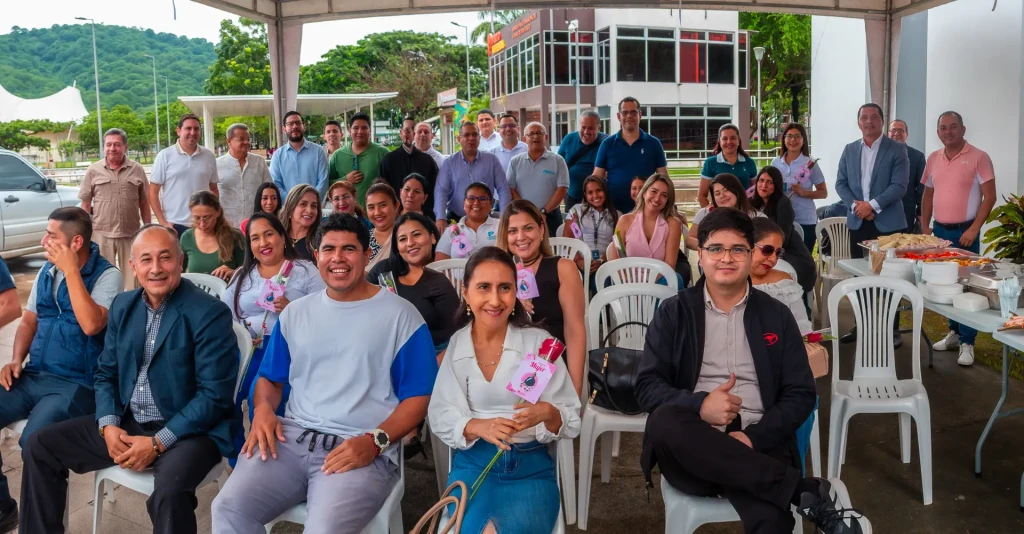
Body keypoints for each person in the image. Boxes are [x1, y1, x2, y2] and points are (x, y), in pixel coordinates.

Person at [635, 208, 869, 534]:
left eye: (738, 249)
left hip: (761, 442)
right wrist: (700, 405)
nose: (726, 258)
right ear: (701, 254)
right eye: (716, 248)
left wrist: (751, 437)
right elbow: (647, 386)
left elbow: (801, 393)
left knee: (771, 520)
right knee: (664, 420)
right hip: (693, 449)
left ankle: (787, 488)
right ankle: (800, 491)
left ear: (749, 255)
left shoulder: (776, 315)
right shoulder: (674, 313)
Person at [210, 213, 438, 533]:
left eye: (349, 249)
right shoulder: (296, 313)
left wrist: (376, 441)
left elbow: (419, 396)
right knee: (227, 509)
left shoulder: (401, 316)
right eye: (329, 249)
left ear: (366, 255)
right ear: (316, 256)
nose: (338, 258)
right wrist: (262, 411)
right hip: (289, 439)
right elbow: (270, 379)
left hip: (359, 445)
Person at [18, 224, 237, 534]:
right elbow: (106, 372)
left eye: (165, 257)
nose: (156, 268)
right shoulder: (124, 305)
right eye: (146, 259)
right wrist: (108, 425)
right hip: (130, 421)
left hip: (190, 431)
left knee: (169, 491)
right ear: (133, 267)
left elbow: (214, 396)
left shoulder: (210, 313)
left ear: (180, 262)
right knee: (40, 445)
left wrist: (158, 443)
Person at [427, 246, 581, 533]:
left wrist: (548, 413)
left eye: (505, 288)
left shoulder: (537, 344)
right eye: (483, 287)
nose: (495, 300)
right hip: (473, 466)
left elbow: (571, 419)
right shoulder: (458, 345)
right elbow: (439, 414)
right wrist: (476, 426)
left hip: (530, 469)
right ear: (466, 293)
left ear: (516, 293)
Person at [0, 208, 120, 530]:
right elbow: (29, 320)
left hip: (77, 384)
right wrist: (16, 360)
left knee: (35, 443)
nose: (44, 241)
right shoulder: (46, 271)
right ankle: (2, 508)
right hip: (35, 373)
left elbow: (92, 324)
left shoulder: (108, 275)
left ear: (76, 242)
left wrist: (71, 272)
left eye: (51, 235)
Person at [223, 212, 324, 445]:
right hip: (248, 349)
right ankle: (236, 456)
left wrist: (292, 309)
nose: (263, 243)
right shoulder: (243, 275)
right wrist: (241, 332)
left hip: (285, 350)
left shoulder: (305, 271)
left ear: (282, 236)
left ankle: (264, 453)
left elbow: (324, 314)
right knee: (225, 399)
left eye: (269, 234)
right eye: (255, 238)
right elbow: (224, 314)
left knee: (260, 402)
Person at [920, 111, 997, 367]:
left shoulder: (979, 157)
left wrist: (974, 228)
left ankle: (968, 341)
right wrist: (925, 226)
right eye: (943, 128)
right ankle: (953, 332)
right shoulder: (933, 158)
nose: (948, 132)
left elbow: (990, 197)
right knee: (945, 284)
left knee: (966, 285)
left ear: (963, 129)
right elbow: (928, 195)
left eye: (953, 127)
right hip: (940, 233)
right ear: (938, 132)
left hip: (965, 234)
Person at [835, 103, 909, 345]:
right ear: (858, 122)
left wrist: (872, 205)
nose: (869, 122)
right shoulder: (849, 149)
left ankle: (891, 330)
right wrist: (857, 207)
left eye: (874, 117)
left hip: (888, 224)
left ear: (882, 121)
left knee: (891, 279)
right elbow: (841, 183)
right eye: (864, 117)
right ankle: (862, 326)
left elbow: (899, 186)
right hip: (858, 222)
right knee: (860, 277)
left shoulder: (897, 149)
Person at [496, 200, 586, 394]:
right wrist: (510, 304)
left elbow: (575, 331)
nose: (521, 237)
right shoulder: (498, 275)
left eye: (528, 228)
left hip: (550, 363)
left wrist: (575, 390)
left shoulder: (563, 268)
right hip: (507, 367)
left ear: (541, 229)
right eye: (512, 231)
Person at [368, 212, 458, 354]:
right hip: (380, 349)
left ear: (432, 237)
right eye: (402, 239)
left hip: (428, 353)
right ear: (397, 246)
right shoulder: (383, 270)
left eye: (416, 235)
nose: (410, 243)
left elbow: (453, 338)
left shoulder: (440, 283)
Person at [79, 127, 151, 290]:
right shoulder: (93, 170)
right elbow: (86, 203)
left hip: (131, 234)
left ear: (125, 147)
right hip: (102, 234)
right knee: (103, 280)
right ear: (104, 147)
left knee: (134, 280)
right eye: (108, 144)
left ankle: (131, 305)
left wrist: (147, 228)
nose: (112, 148)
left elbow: (144, 202)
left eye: (117, 144)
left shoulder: (137, 169)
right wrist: (84, 232)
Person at [749, 167, 817, 298]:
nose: (764, 185)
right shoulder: (752, 203)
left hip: (790, 254)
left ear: (777, 185)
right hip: (765, 252)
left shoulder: (783, 203)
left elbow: (783, 239)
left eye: (770, 182)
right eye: (761, 180)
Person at [593, 97, 668, 214]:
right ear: (619, 116)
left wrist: (670, 207)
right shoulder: (607, 144)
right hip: (613, 211)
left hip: (646, 211)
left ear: (640, 115)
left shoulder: (654, 144)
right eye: (625, 112)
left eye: (633, 112)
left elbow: (664, 179)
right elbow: (597, 178)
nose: (629, 116)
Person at [149, 114, 219, 237]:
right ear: (178, 131)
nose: (193, 132)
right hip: (175, 225)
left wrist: (214, 216)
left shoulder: (209, 156)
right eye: (188, 128)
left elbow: (213, 189)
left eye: (196, 129)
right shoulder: (165, 156)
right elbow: (153, 192)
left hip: (203, 224)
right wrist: (163, 222)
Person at [433, 121, 511, 232]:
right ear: (459, 139)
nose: (471, 138)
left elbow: (503, 189)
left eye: (474, 135)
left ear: (479, 138)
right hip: (456, 220)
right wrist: (440, 217)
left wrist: (504, 216)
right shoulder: (449, 163)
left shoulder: (491, 160)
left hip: (486, 220)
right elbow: (441, 191)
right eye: (466, 135)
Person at [611, 174, 685, 276]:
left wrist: (650, 284)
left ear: (668, 201)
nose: (657, 198)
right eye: (654, 191)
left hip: (660, 279)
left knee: (677, 279)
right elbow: (616, 259)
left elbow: (670, 264)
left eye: (664, 195)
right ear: (644, 193)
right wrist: (628, 281)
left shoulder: (674, 224)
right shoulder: (624, 221)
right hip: (627, 280)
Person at [771, 123, 828, 252]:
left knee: (803, 258)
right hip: (781, 219)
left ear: (803, 140)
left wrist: (803, 192)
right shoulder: (776, 163)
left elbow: (823, 193)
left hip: (805, 219)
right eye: (789, 136)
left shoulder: (810, 163)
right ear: (783, 139)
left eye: (797, 136)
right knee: (782, 258)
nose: (793, 140)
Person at [750, 218, 813, 333]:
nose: (773, 259)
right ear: (747, 245)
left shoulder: (783, 284)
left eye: (778, 252)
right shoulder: (727, 282)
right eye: (767, 250)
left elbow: (802, 327)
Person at [508, 122, 570, 237]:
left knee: (552, 246)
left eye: (539, 133)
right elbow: (511, 188)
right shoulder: (515, 161)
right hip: (523, 214)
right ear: (524, 139)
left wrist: (544, 211)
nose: (535, 136)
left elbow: (562, 188)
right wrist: (526, 210)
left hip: (550, 216)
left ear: (546, 137)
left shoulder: (557, 160)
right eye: (531, 134)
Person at [563, 175, 618, 284]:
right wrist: (578, 260)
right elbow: (567, 240)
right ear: (585, 194)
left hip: (605, 263)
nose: (595, 195)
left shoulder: (616, 215)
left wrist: (602, 260)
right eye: (590, 192)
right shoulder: (576, 211)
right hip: (579, 261)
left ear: (605, 191)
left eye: (599, 190)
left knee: (602, 282)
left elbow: (617, 245)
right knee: (574, 282)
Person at [328, 112, 391, 206]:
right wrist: (345, 180)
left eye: (364, 128)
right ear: (349, 130)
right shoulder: (337, 155)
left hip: (375, 211)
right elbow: (327, 183)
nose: (360, 131)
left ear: (370, 130)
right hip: (345, 211)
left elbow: (393, 182)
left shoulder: (382, 153)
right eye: (356, 128)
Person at [180, 191, 245, 281]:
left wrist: (234, 273)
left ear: (218, 212)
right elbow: (179, 273)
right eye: (197, 218)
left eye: (207, 217)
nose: (202, 224)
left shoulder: (235, 236)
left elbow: (248, 271)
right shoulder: (186, 238)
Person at [380, 117, 438, 217]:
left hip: (422, 216)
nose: (410, 134)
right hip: (395, 216)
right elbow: (382, 189)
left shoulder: (428, 161)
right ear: (401, 133)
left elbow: (434, 191)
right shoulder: (389, 159)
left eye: (413, 130)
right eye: (407, 130)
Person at [217, 123, 271, 227]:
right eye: (241, 139)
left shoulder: (259, 162)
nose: (246, 142)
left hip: (255, 225)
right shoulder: (217, 165)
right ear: (229, 141)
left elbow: (269, 189)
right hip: (227, 226)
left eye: (248, 139)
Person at [269, 111, 329, 199]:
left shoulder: (319, 151)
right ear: (284, 129)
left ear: (304, 126)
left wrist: (310, 201)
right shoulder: (277, 156)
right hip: (287, 205)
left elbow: (323, 181)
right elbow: (276, 184)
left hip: (313, 205)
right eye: (290, 124)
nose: (295, 126)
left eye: (298, 123)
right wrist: (292, 202)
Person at [435, 182, 501, 261]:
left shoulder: (501, 225)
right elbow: (440, 263)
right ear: (464, 203)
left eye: (482, 199)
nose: (476, 203)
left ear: (491, 204)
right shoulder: (451, 231)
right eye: (471, 198)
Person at [698, 123, 760, 206]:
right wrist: (712, 212)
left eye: (733, 138)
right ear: (719, 141)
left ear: (738, 140)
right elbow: (701, 196)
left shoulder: (749, 162)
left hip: (744, 211)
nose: (729, 142)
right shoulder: (711, 163)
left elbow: (755, 192)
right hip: (721, 211)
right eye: (724, 138)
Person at [559, 110, 608, 212]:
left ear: (598, 128)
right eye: (583, 127)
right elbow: (558, 165)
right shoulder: (569, 139)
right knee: (572, 222)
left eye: (590, 128)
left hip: (597, 198)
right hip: (572, 197)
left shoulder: (606, 142)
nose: (586, 132)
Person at [888, 119, 927, 233]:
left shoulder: (917, 156)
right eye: (893, 130)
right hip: (880, 212)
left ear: (907, 135)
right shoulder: (879, 155)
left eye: (901, 131)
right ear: (888, 134)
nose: (896, 133)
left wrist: (920, 212)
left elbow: (922, 187)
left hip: (906, 212)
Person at [281, 184, 323, 262]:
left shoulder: (321, 240)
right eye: (303, 204)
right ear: (290, 208)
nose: (309, 210)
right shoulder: (277, 236)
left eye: (314, 206)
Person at [366, 182, 401, 270]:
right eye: (371, 207)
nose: (377, 212)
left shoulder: (407, 237)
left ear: (396, 205)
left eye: (383, 205)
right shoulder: (362, 240)